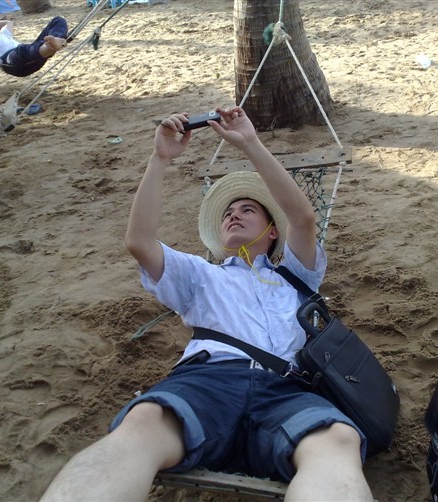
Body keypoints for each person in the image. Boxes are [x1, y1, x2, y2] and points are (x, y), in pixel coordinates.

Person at [40, 107, 373, 501]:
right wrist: (159, 158)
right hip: (209, 381)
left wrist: (250, 143)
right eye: (228, 213)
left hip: (285, 388)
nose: (233, 216)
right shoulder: (199, 274)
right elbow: (139, 242)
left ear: (272, 232)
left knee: (339, 440)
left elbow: (301, 218)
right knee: (143, 422)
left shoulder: (296, 275)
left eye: (248, 209)